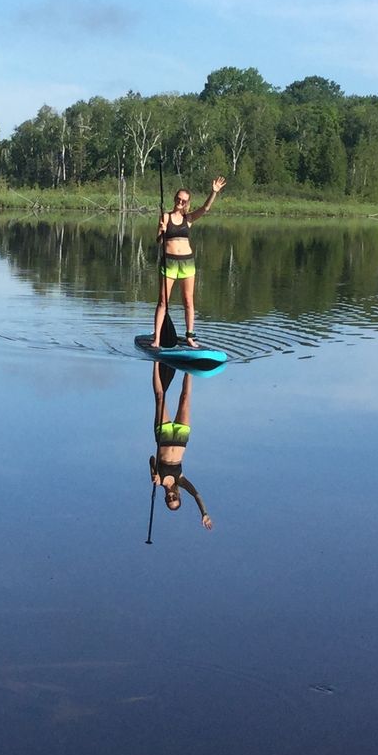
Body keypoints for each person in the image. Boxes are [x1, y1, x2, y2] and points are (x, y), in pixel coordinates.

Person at [152, 176, 225, 348]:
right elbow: (158, 242)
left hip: (187, 263)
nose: (180, 202)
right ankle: (156, 338)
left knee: (188, 301)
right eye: (178, 199)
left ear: (187, 203)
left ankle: (190, 337)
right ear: (174, 199)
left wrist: (213, 192)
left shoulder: (189, 219)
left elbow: (205, 208)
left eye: (184, 201)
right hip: (169, 262)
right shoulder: (165, 216)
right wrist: (161, 232)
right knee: (163, 301)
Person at [150, 361, 212, 529]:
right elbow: (196, 495)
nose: (171, 498)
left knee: (160, 397)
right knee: (185, 398)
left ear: (165, 498)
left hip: (163, 436)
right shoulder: (181, 480)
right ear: (178, 497)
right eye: (175, 499)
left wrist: (153, 472)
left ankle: (156, 363)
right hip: (181, 438)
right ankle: (189, 367)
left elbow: (151, 458)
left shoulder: (158, 481)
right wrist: (204, 513)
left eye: (169, 500)